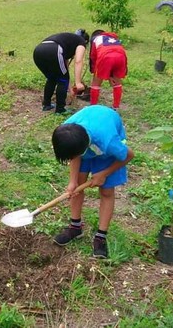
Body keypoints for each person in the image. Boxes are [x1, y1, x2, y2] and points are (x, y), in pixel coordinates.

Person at [51, 105, 134, 259]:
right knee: (76, 187)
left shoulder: (109, 142)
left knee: (106, 191)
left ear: (82, 149)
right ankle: (75, 227)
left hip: (107, 152)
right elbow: (74, 155)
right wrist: (72, 181)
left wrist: (104, 173)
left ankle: (100, 237)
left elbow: (129, 155)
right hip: (87, 140)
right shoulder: (68, 130)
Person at [33, 29, 89, 114]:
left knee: (52, 78)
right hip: (54, 50)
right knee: (62, 80)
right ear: (85, 41)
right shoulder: (81, 41)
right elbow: (78, 61)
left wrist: (70, 89)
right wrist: (78, 82)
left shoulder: (68, 42)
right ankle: (60, 109)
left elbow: (65, 69)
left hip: (38, 51)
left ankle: (46, 105)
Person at [88, 29, 127, 109]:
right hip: (121, 56)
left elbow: (93, 57)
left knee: (96, 83)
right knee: (117, 82)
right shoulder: (114, 39)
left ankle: (93, 106)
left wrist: (94, 71)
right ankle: (116, 107)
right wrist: (110, 76)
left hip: (105, 57)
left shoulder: (96, 39)